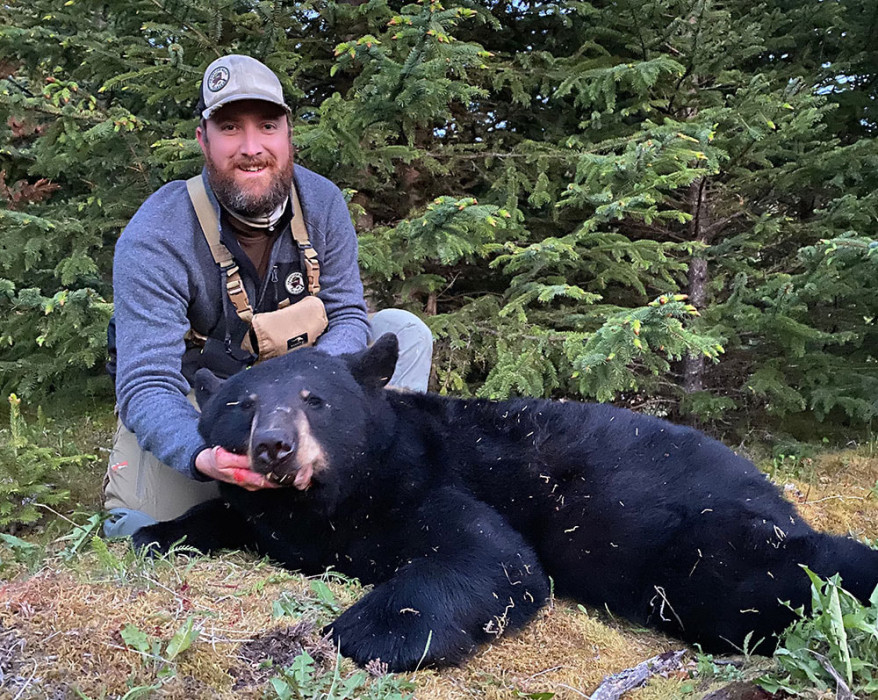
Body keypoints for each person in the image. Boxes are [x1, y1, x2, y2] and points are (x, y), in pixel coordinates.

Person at [103, 54, 433, 537]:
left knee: (404, 331)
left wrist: (312, 400)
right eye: (231, 127)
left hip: (306, 395)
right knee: (136, 525)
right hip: (210, 406)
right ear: (204, 140)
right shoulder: (156, 235)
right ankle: (228, 492)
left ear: (287, 133)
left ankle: (365, 482)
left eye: (268, 125)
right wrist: (203, 456)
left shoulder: (322, 203)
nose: (252, 147)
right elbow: (147, 382)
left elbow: (347, 316)